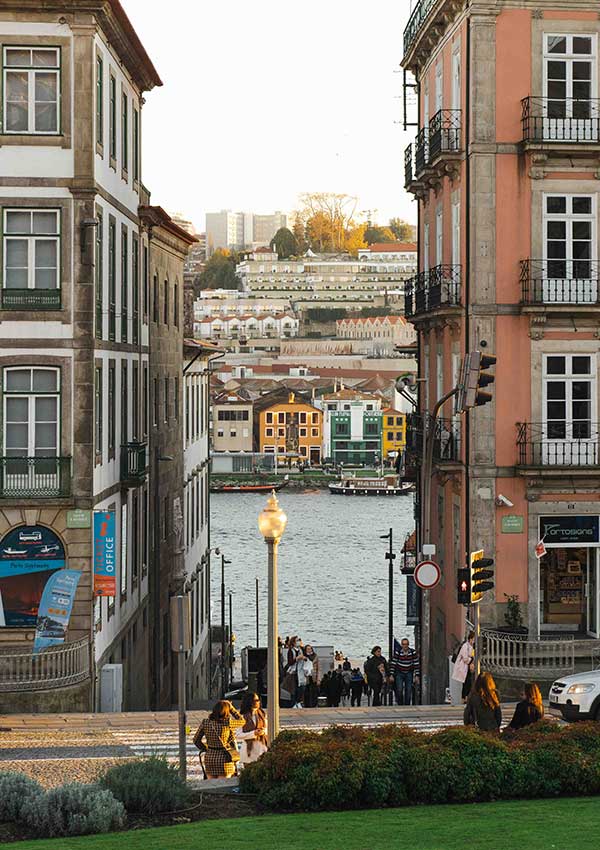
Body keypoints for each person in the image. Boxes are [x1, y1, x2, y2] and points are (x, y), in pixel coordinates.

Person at [194, 699, 245, 779]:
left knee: (211, 784)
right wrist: (231, 708)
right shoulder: (227, 723)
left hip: (210, 758)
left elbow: (196, 740)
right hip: (224, 759)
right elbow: (242, 721)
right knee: (223, 784)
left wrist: (206, 748)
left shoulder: (206, 722)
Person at [236, 691, 268, 767]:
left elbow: (267, 729)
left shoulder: (262, 714)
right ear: (250, 702)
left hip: (262, 748)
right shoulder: (242, 717)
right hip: (248, 751)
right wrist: (254, 733)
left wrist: (263, 731)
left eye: (258, 700)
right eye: (256, 700)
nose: (259, 702)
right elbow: (238, 735)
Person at [389, 638, 420, 706]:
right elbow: (393, 663)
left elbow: (416, 663)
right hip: (399, 672)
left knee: (408, 690)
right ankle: (400, 704)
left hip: (409, 672)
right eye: (403, 644)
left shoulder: (413, 652)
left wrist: (417, 675)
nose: (405, 646)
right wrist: (391, 674)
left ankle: (407, 705)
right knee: (399, 689)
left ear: (408, 645)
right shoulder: (398, 652)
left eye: (406, 644)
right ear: (402, 645)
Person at [452, 631, 475, 703]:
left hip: (467, 667)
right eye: (473, 639)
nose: (474, 641)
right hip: (464, 667)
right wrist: (471, 659)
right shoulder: (465, 646)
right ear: (470, 639)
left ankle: (465, 698)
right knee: (466, 683)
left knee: (468, 683)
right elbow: (465, 659)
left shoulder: (471, 647)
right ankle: (464, 698)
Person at [285, 635, 305, 708]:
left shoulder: (301, 650)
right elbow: (290, 662)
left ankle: (298, 702)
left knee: (301, 688)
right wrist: (297, 658)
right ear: (293, 642)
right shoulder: (291, 651)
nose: (299, 641)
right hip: (293, 673)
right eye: (297, 640)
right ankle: (293, 703)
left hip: (300, 672)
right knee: (293, 689)